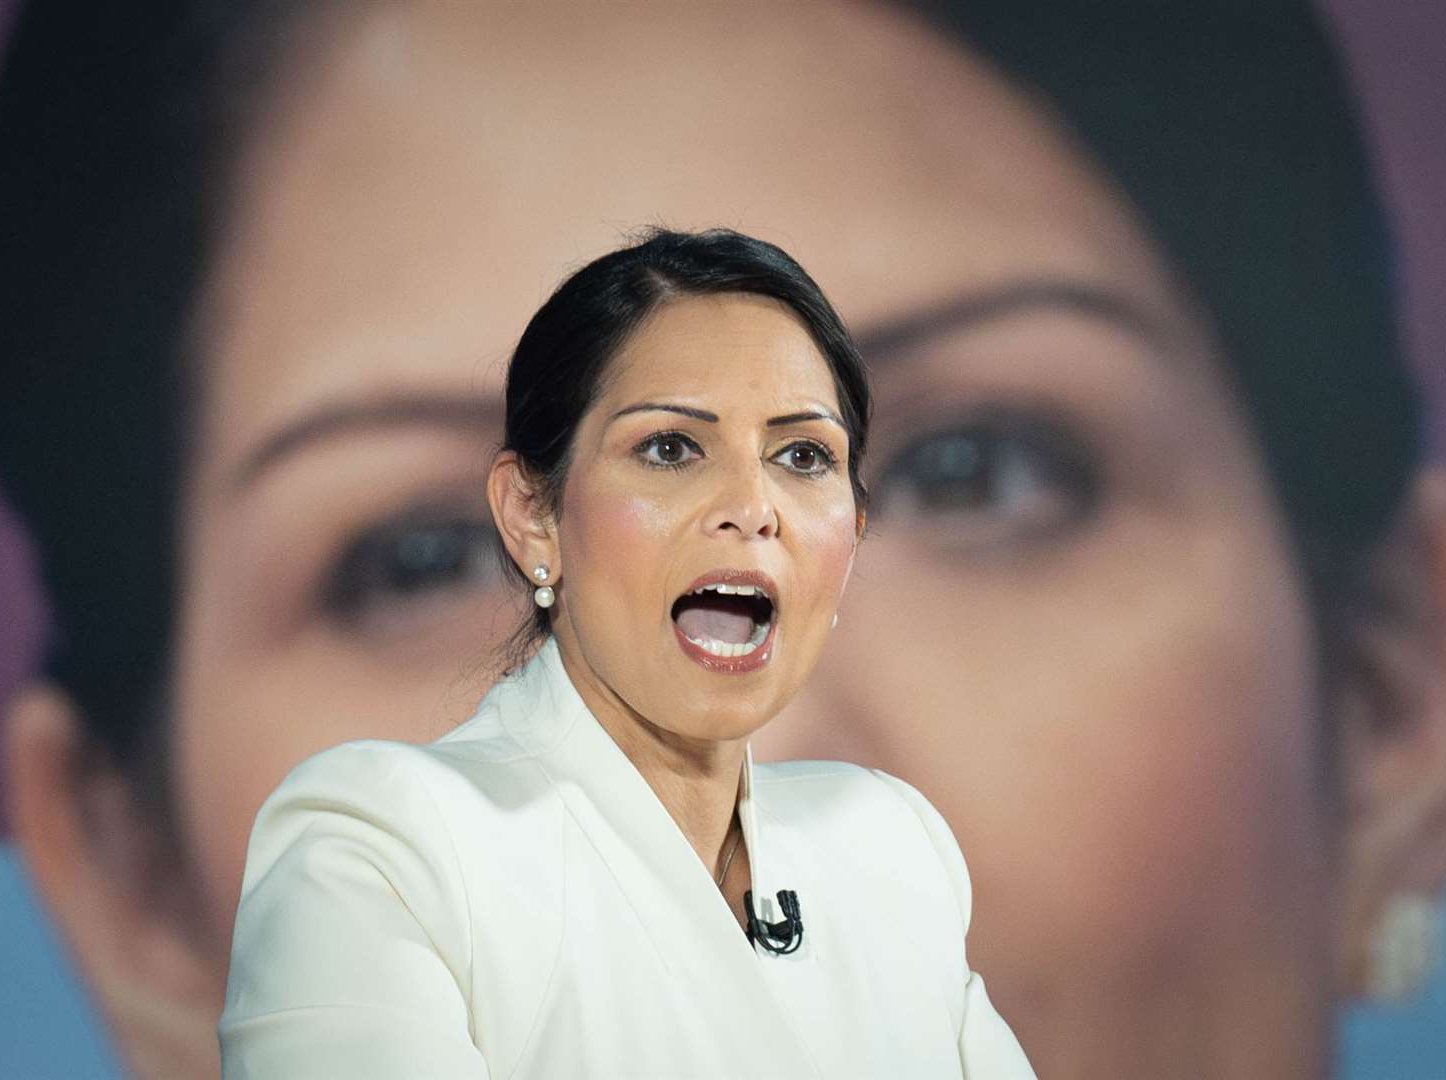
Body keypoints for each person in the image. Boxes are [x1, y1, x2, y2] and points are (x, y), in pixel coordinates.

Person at [0, 1, 1446, 1076]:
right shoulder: (371, 852)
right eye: (417, 553)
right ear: (140, 895)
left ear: (1383, 704)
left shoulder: (889, 859)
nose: (737, 561)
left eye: (970, 471)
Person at [217, 227, 1033, 1077]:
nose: (752, 506)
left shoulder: (890, 850)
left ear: (853, 536)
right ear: (533, 516)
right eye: (671, 448)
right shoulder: (382, 850)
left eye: (802, 455)